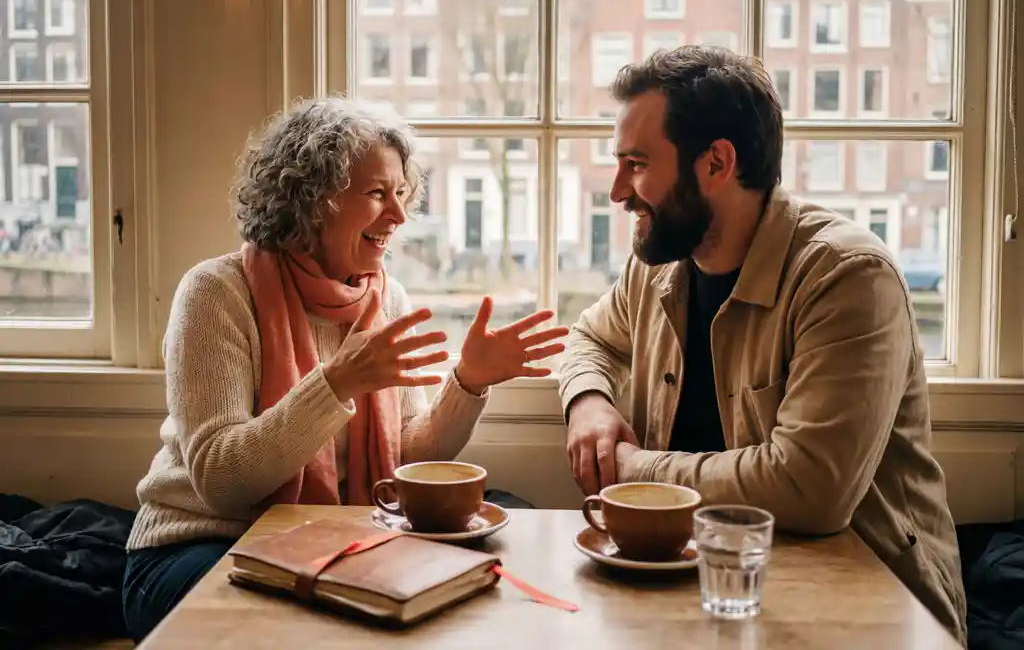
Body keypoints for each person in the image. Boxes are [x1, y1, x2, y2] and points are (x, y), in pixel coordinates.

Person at [559, 45, 967, 644]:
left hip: (870, 606)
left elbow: (809, 488)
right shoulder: (659, 264)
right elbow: (590, 336)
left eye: (637, 163)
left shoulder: (847, 276)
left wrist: (631, 471)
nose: (618, 190)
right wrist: (588, 402)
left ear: (716, 163)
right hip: (703, 588)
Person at [123, 97, 568, 641]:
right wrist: (337, 383)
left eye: (401, 194)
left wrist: (469, 382)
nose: (400, 216)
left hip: (337, 538)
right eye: (378, 194)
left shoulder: (388, 298)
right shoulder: (216, 293)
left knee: (504, 538)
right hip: (201, 543)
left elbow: (405, 462)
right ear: (312, 200)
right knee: (314, 625)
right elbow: (220, 481)